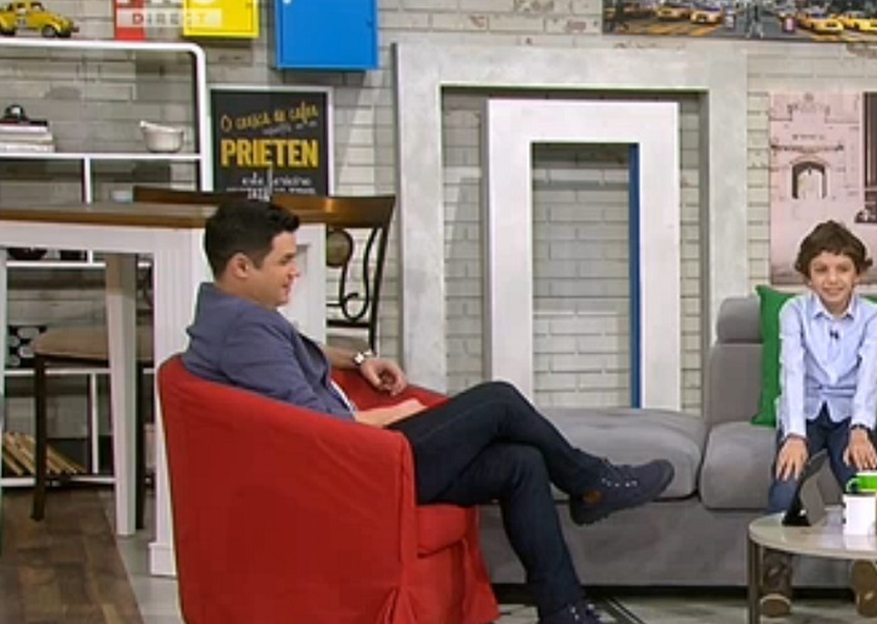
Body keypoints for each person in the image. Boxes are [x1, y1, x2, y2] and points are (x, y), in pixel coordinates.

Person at [181, 199, 674, 624]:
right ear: (242, 267)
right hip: (356, 469)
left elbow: (299, 350)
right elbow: (320, 426)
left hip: (357, 460)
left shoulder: (233, 314)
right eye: (285, 261)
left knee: (521, 462)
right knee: (498, 400)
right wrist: (399, 414)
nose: (296, 272)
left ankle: (563, 607)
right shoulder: (245, 331)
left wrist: (358, 359)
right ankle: (592, 481)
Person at [760, 220, 877, 619]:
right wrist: (795, 435)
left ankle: (867, 571)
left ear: (857, 274)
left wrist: (861, 429)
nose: (832, 279)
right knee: (786, 481)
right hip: (806, 414)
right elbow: (792, 372)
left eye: (842, 269)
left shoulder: (874, 315)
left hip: (851, 414)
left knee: (862, 483)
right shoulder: (793, 312)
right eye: (822, 270)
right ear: (807, 276)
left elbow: (869, 376)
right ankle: (776, 577)